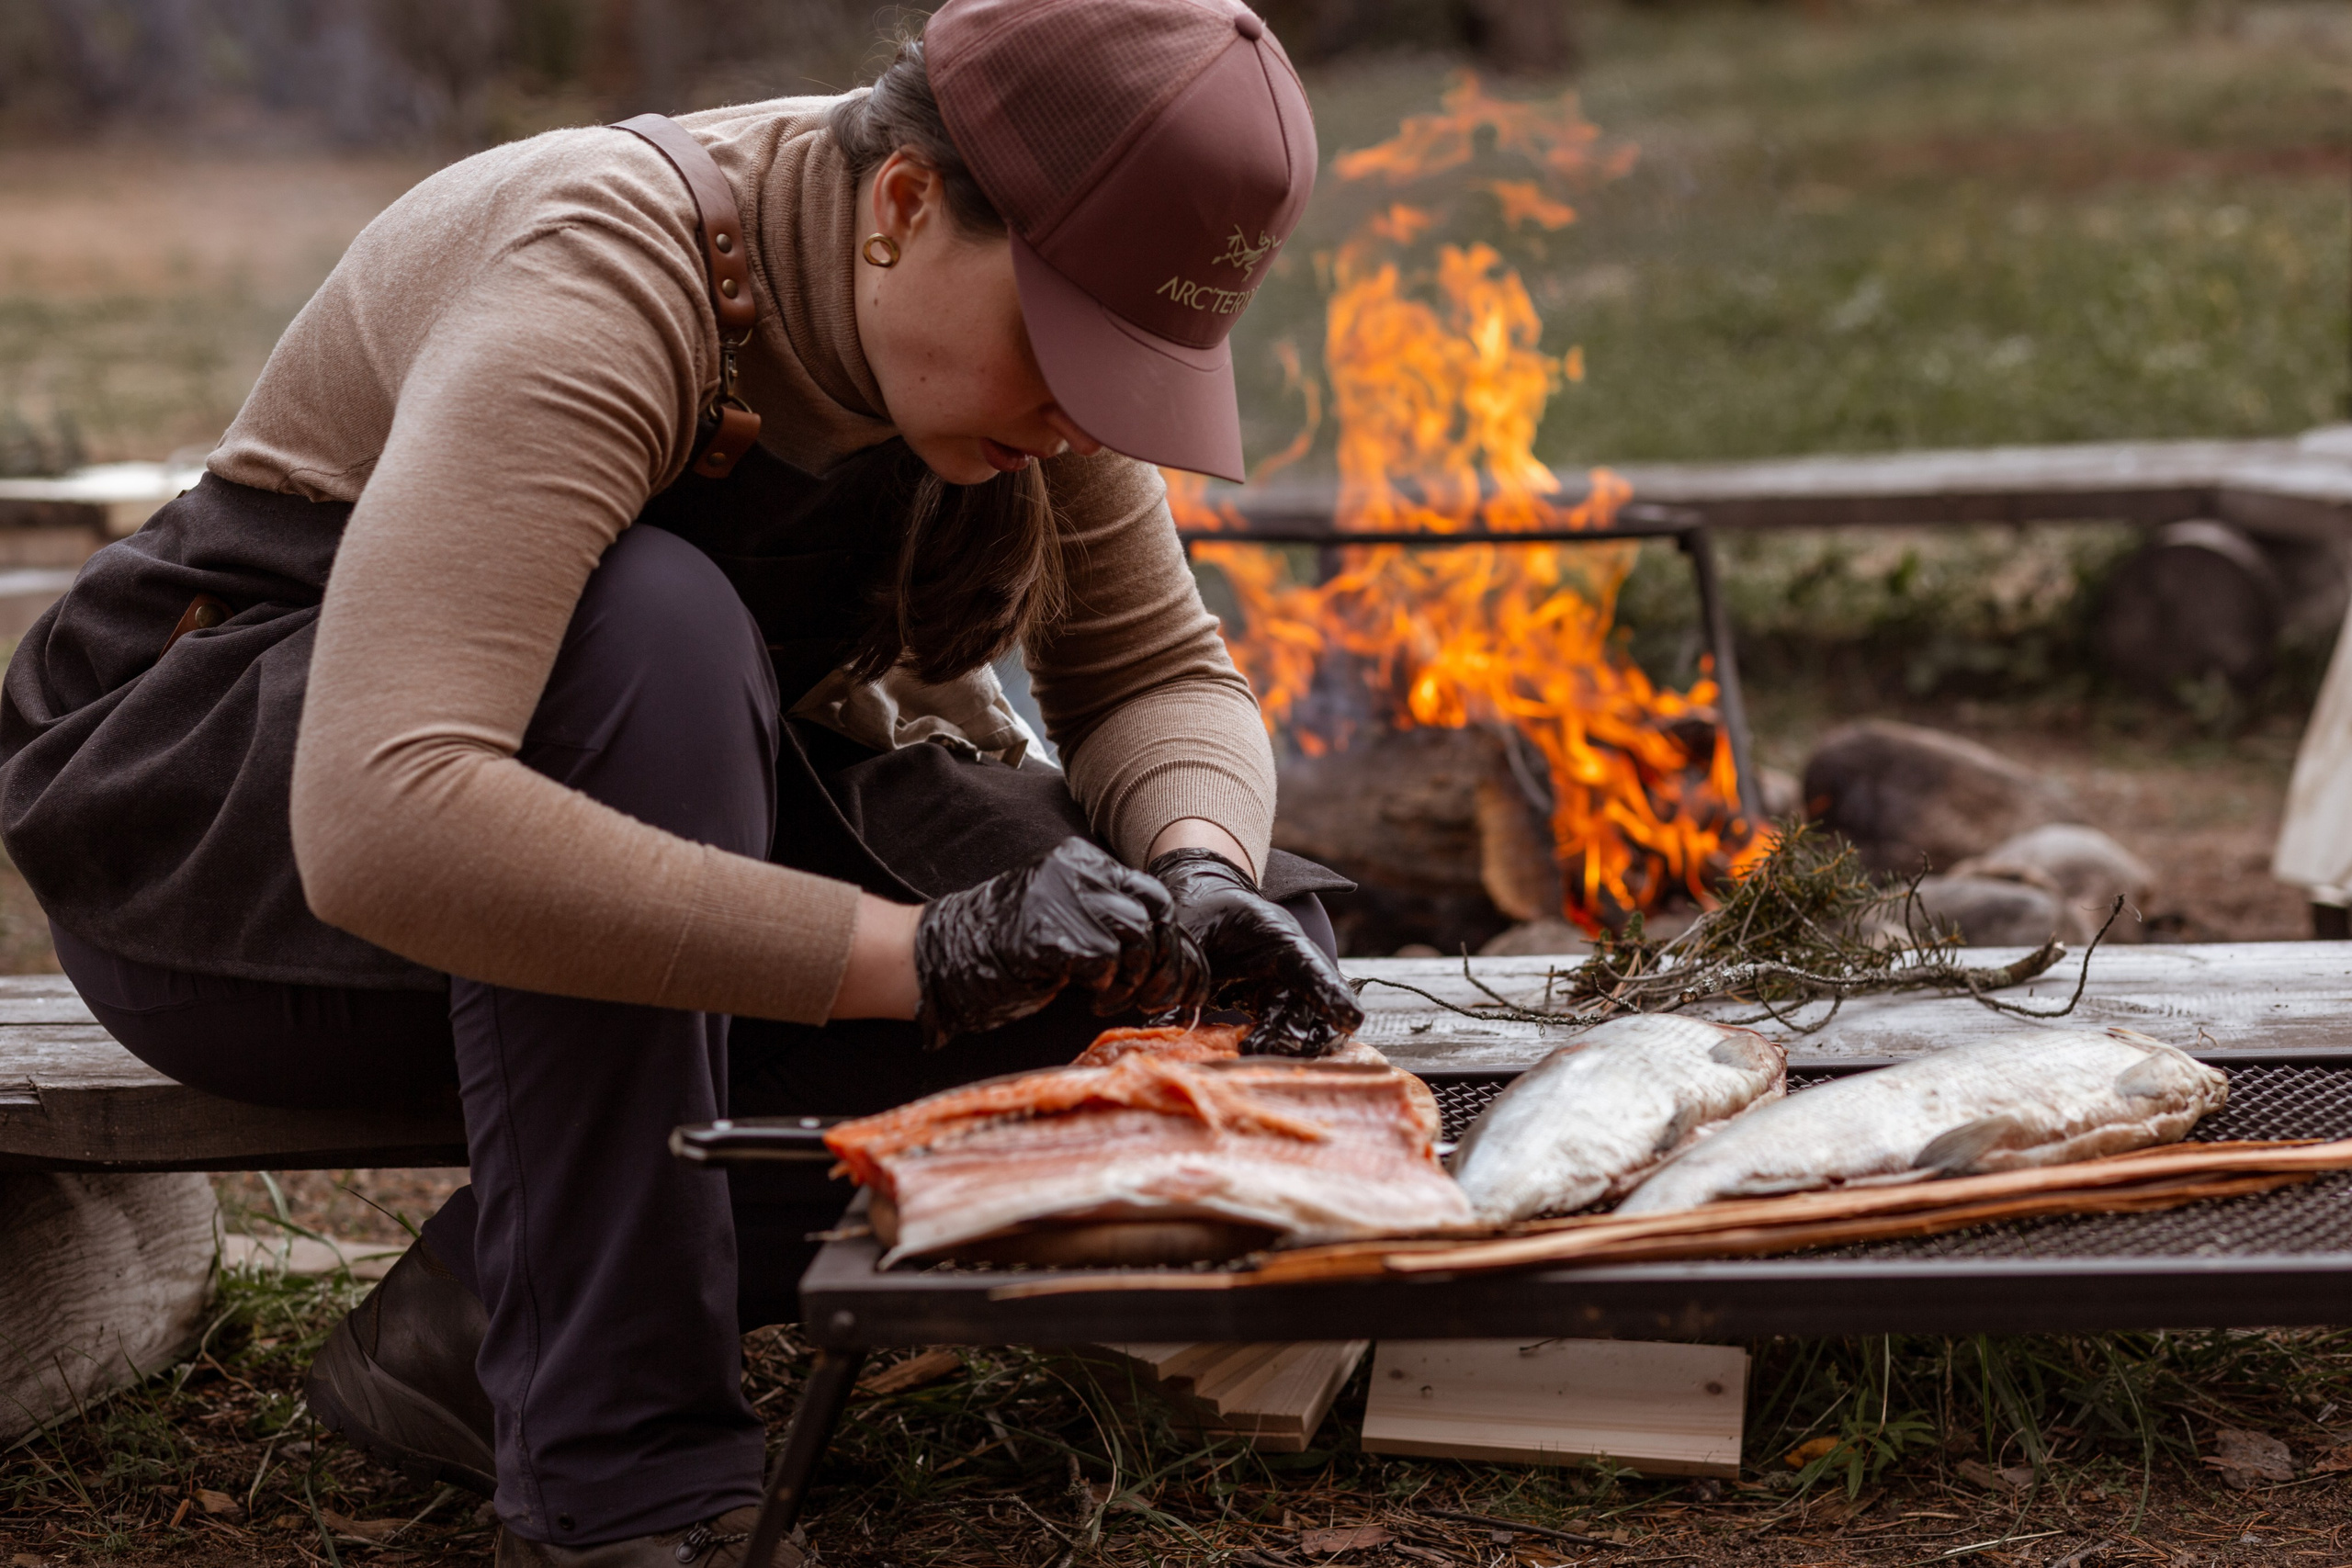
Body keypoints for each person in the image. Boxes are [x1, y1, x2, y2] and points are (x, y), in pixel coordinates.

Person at [0, 2, 1353, 1562]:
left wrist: (1197, 873)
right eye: (1067, 351)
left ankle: (474, 1328)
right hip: (229, 858)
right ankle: (614, 1479)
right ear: (906, 205)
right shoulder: (605, 269)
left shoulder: (1021, 325)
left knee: (1193, 973)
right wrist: (916, 958)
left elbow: (1156, 678)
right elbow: (385, 820)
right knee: (649, 626)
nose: (1084, 415)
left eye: (1132, 371)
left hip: (623, 817)